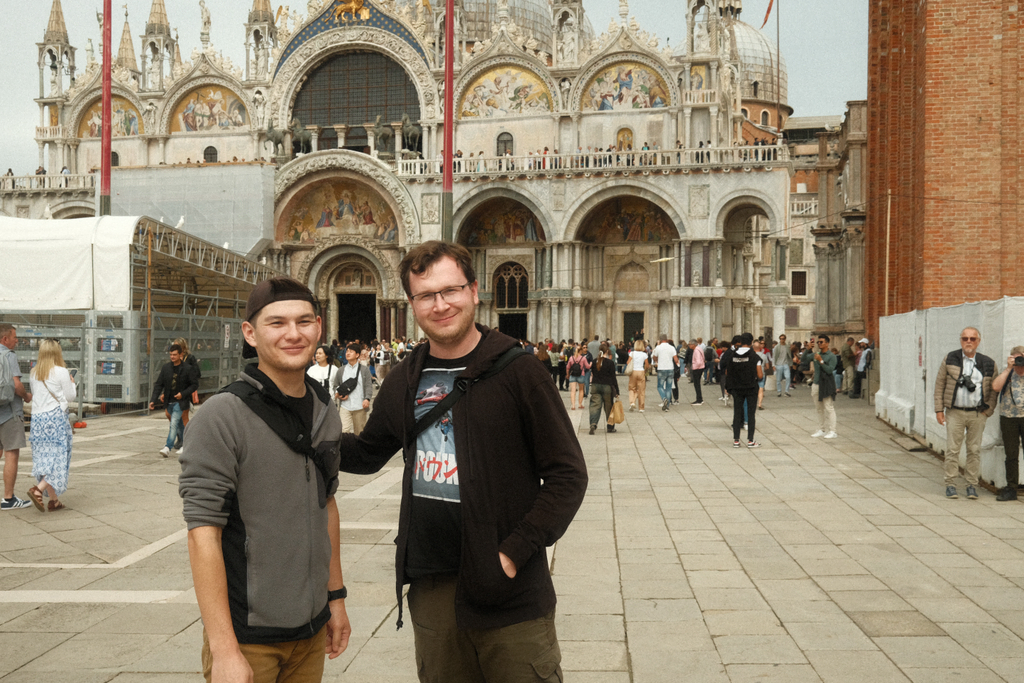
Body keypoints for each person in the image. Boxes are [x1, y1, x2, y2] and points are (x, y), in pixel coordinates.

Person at [336, 241, 587, 682]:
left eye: (450, 290)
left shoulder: (519, 371)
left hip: (509, 587)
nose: (440, 304)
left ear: (474, 291)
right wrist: (300, 428)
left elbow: (568, 474)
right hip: (432, 583)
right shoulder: (403, 378)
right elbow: (367, 453)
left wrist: (516, 550)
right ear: (411, 304)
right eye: (426, 295)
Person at [179, 276, 351, 682]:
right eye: (277, 323)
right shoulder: (222, 415)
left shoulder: (323, 409)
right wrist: (223, 650)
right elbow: (202, 533)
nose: (293, 333)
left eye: (304, 321)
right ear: (250, 333)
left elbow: (325, 504)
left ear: (319, 327)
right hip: (248, 639)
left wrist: (336, 598)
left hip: (310, 633)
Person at [934, 327, 997, 500]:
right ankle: (951, 484)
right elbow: (939, 384)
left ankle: (971, 484)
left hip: (977, 413)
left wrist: (988, 410)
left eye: (972, 338)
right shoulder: (950, 358)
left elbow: (993, 391)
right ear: (960, 340)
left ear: (978, 341)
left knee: (974, 450)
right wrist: (939, 409)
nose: (968, 341)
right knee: (952, 449)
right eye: (965, 338)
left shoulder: (988, 363)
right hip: (955, 411)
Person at [25, 339, 76, 512]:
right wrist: (72, 382)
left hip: (38, 420)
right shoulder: (61, 371)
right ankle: (37, 490)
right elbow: (70, 397)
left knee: (45, 458)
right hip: (56, 419)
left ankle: (54, 500)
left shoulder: (34, 372)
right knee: (59, 458)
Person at [0, 324, 33, 510]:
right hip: (9, 412)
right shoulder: (8, 355)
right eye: (14, 337)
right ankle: (8, 498)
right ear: (5, 339)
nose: (17, 340)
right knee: (11, 453)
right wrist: (26, 396)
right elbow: (16, 383)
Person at [149, 344, 198, 457]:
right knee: (179, 424)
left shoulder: (187, 368)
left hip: (181, 402)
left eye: (175, 354)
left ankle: (168, 446)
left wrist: (183, 394)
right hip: (168, 400)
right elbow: (159, 384)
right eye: (171, 354)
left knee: (174, 423)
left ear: (181, 355)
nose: (172, 357)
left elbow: (194, 385)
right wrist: (153, 399)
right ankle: (186, 443)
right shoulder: (166, 368)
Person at [993, 346, 1024, 501]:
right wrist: (1008, 368)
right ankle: (1011, 487)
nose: (1019, 361)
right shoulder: (1008, 373)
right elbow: (996, 387)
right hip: (1008, 418)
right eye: (1016, 358)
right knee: (1011, 454)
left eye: (1021, 358)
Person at [727, 333, 762, 448]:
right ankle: (750, 440)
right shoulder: (755, 357)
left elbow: (728, 373)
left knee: (737, 413)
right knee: (751, 414)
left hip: (737, 388)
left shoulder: (732, 356)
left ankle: (736, 440)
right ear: (751, 342)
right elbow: (760, 375)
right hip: (751, 388)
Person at [172, 337, 202, 449]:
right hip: (175, 390)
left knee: (184, 415)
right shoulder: (174, 358)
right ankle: (180, 437)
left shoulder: (189, 358)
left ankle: (186, 439)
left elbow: (197, 373)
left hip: (185, 390)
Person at [337, 342, 373, 435]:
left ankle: (358, 449)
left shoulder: (364, 370)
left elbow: (368, 385)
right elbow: (336, 385)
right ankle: (345, 449)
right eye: (347, 351)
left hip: (359, 406)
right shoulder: (341, 370)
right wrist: (338, 394)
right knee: (343, 431)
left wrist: (367, 398)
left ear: (357, 355)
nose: (348, 353)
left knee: (359, 432)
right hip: (345, 406)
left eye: (351, 351)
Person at [810, 335, 838, 439]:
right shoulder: (816, 354)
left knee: (829, 407)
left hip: (826, 383)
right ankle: (821, 429)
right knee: (819, 408)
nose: (819, 344)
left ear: (827, 343)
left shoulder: (831, 356)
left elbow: (830, 370)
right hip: (816, 383)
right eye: (818, 342)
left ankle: (833, 431)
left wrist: (821, 361)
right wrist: (808, 348)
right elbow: (804, 359)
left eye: (821, 342)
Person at [588, 343, 620, 434]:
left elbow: (593, 373)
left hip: (595, 386)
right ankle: (610, 427)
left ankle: (593, 424)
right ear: (607, 351)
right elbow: (613, 378)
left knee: (595, 406)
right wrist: (617, 391)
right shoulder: (610, 363)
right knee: (608, 407)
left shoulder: (594, 362)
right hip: (607, 387)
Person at [651, 334, 678, 411]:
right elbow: (676, 359)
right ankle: (667, 406)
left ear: (660, 340)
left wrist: (656, 359)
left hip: (662, 368)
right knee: (668, 388)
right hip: (670, 368)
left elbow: (654, 356)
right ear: (666, 339)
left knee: (660, 386)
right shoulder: (671, 347)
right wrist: (678, 365)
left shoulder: (658, 347)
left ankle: (664, 398)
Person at [627, 340, 650, 412]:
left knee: (632, 388)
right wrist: (645, 370)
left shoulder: (632, 353)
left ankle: (632, 402)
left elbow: (628, 362)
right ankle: (641, 408)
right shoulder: (644, 354)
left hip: (633, 372)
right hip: (641, 371)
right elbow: (647, 365)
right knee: (641, 390)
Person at [566, 344, 591, 410]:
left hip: (572, 375)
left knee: (573, 391)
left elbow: (568, 367)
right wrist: (590, 364)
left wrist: (567, 374)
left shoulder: (571, 358)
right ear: (581, 351)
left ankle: (573, 405)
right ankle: (580, 404)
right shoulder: (583, 358)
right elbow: (587, 367)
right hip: (581, 375)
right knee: (581, 390)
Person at [753, 339, 771, 410]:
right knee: (761, 389)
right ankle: (760, 404)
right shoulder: (764, 356)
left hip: (753, 375)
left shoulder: (751, 356)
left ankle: (753, 403)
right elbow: (767, 367)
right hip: (762, 374)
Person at [687, 339, 705, 405]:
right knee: (697, 384)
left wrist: (695, 368)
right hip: (700, 367)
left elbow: (698, 361)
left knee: (696, 384)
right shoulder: (699, 349)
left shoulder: (696, 351)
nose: (689, 346)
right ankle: (699, 398)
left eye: (689, 344)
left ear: (693, 344)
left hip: (697, 368)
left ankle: (699, 399)